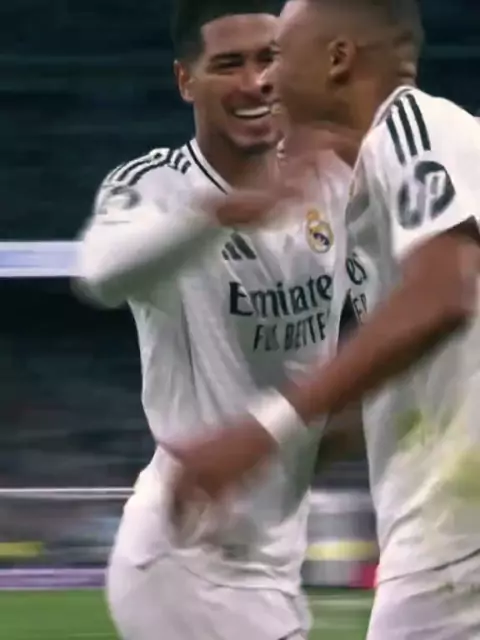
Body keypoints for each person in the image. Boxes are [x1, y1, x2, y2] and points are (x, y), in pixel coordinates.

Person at [168, 1, 480, 638]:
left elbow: (447, 293)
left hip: (456, 549)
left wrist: (261, 431)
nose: (264, 81)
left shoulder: (414, 126)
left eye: (279, 55)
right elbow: (415, 374)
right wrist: (272, 461)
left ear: (338, 59)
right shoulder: (380, 187)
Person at [75, 0, 359, 638]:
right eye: (229, 64)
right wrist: (221, 212)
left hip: (273, 556)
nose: (256, 82)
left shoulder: (335, 180)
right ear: (186, 80)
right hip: (186, 555)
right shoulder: (156, 185)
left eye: (269, 59)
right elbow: (100, 273)